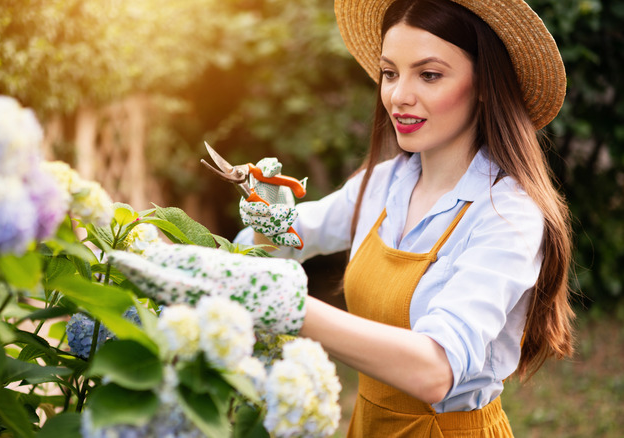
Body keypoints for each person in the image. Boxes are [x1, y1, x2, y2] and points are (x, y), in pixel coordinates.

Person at [110, 0, 576, 436]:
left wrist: (290, 305)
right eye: (389, 73)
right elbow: (290, 234)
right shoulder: (385, 184)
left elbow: (436, 371)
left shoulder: (507, 215)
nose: (399, 95)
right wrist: (263, 222)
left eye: (429, 75)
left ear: (484, 87)